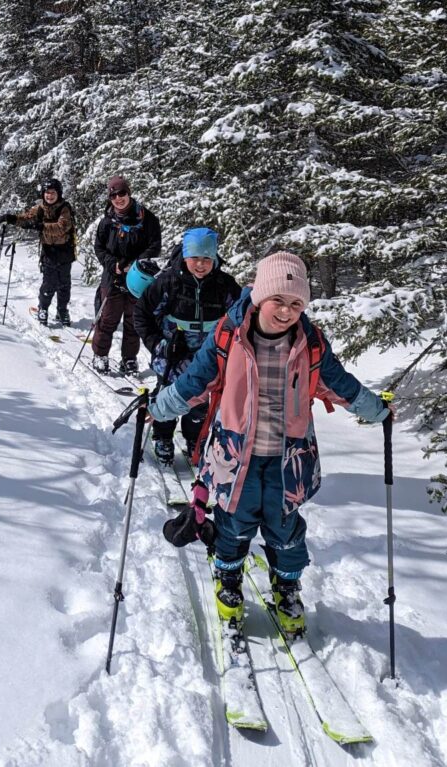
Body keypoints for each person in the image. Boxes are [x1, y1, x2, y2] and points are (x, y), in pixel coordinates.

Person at [149, 251, 393, 636]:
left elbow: (339, 383)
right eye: (278, 300)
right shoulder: (229, 335)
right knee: (233, 526)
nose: (286, 310)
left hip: (289, 460)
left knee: (286, 530)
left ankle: (287, 587)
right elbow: (194, 381)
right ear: (260, 296)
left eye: (296, 303)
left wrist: (376, 410)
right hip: (234, 456)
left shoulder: (309, 342)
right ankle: (228, 581)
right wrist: (159, 408)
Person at [134, 227, 241, 466]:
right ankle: (163, 436)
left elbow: (240, 318)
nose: (201, 265)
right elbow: (141, 314)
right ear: (185, 256)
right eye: (195, 258)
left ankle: (194, 439)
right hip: (172, 355)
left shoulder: (225, 285)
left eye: (206, 259)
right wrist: (158, 344)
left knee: (200, 402)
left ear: (214, 258)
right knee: (168, 396)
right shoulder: (168, 282)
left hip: (208, 357)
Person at [91, 175, 162, 374]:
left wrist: (136, 264)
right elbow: (99, 247)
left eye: (122, 193)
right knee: (107, 319)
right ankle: (100, 354)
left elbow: (154, 245)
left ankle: (129, 359)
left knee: (134, 321)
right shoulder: (107, 222)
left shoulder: (147, 218)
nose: (118, 198)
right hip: (112, 276)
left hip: (138, 278)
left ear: (129, 193)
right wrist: (112, 264)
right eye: (113, 195)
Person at [0, 179, 75, 326]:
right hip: (49, 252)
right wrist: (12, 219)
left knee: (64, 284)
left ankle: (62, 310)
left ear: (58, 194)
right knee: (49, 283)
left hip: (65, 251)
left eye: (53, 193)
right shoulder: (40, 208)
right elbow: (27, 218)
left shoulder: (65, 208)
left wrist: (41, 226)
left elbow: (62, 227)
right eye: (47, 193)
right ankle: (43, 308)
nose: (50, 196)